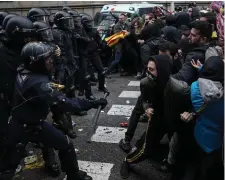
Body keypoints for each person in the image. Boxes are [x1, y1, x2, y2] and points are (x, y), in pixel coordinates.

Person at [0, 42, 108, 180]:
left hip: (31, 123)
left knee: (65, 144)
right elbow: (65, 103)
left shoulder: (23, 69)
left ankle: (74, 175)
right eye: (47, 60)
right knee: (8, 168)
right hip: (22, 127)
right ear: (35, 62)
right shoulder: (39, 84)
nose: (51, 62)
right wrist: (93, 103)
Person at [119, 55, 173, 179]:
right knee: (145, 147)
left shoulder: (176, 86)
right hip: (158, 117)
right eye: (148, 69)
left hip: (174, 118)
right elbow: (144, 99)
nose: (148, 72)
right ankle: (127, 161)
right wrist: (147, 107)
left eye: (152, 69)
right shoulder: (145, 83)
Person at [172, 20, 213, 85]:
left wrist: (166, 78)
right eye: (190, 34)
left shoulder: (194, 56)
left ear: (203, 39)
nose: (189, 37)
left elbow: (182, 77)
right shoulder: (213, 49)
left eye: (193, 35)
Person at [81, 15, 108, 93]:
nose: (90, 24)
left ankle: (101, 86)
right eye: (87, 22)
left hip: (94, 53)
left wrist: (104, 45)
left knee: (102, 71)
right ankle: (83, 90)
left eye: (90, 22)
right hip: (84, 55)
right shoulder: (81, 31)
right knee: (85, 74)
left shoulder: (94, 31)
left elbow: (99, 42)